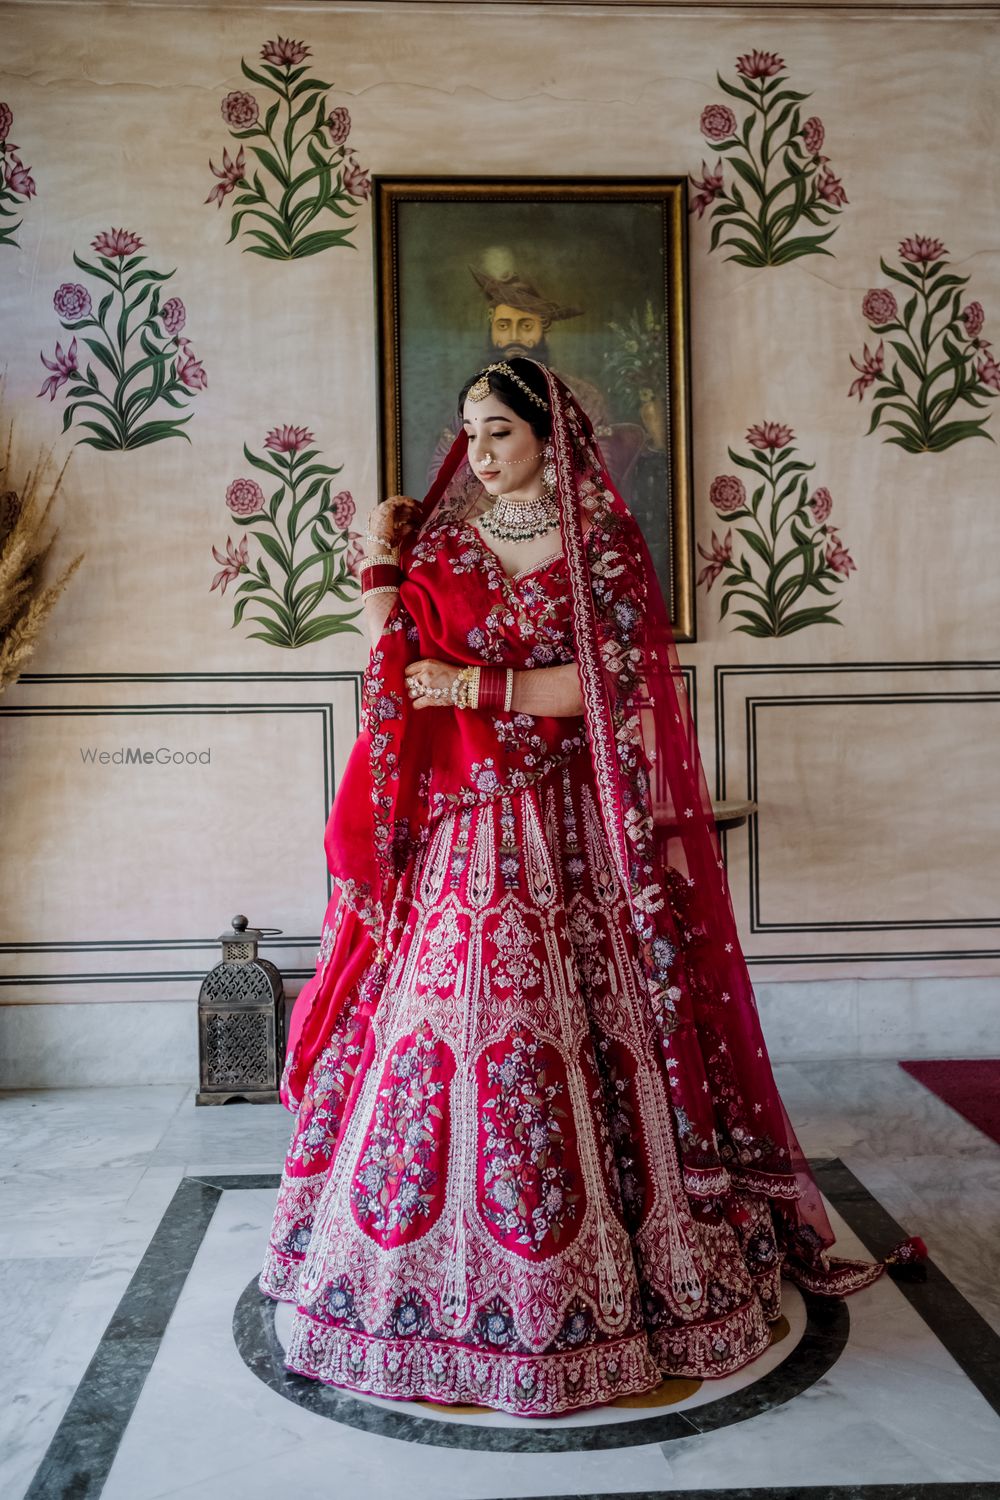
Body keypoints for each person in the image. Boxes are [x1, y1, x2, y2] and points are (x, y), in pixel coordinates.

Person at [258, 356, 899, 1419]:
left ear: (551, 436)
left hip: (570, 830)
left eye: (499, 430)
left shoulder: (601, 545)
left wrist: (472, 684)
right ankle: (415, 1275)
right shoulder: (447, 543)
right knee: (440, 1031)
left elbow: (608, 687)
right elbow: (390, 658)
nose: (478, 449)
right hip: (465, 834)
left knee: (597, 1026)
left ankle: (625, 1284)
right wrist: (379, 558)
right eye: (467, 429)